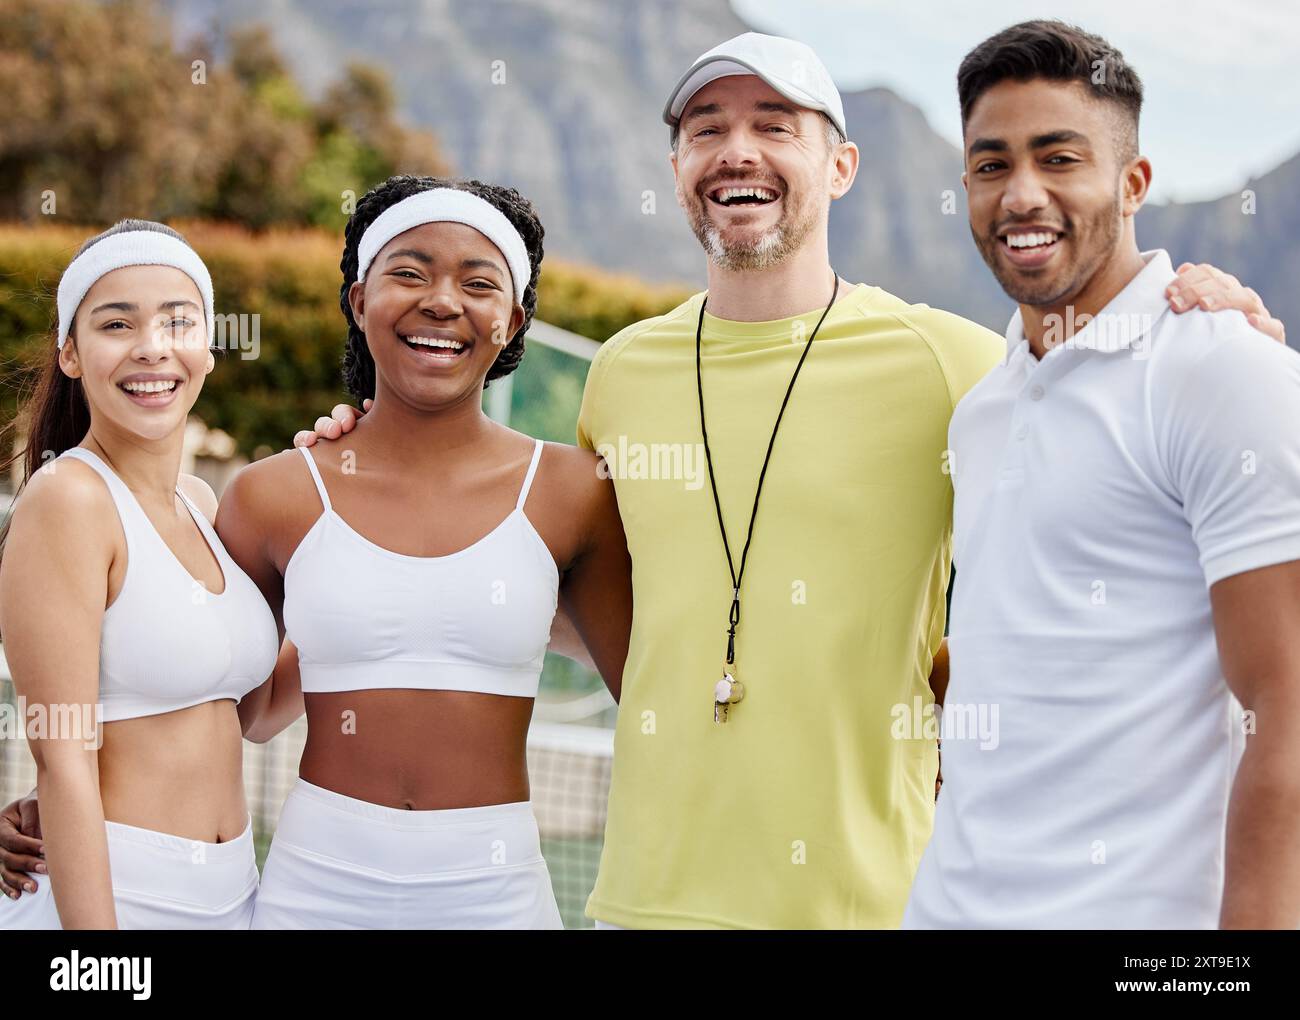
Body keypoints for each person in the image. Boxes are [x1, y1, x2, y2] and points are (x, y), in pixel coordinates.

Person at [282, 33, 1281, 931]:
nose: (736, 150)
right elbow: (565, 587)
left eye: (775, 124)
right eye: (706, 128)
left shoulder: (962, 368)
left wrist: (1203, 316)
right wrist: (379, 460)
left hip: (875, 908)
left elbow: (1091, 434)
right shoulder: (623, 373)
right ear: (677, 169)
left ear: (840, 165)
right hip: (643, 903)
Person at [903, 20, 1300, 930]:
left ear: (1132, 185)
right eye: (992, 165)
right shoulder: (983, 413)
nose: (1021, 195)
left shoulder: (1222, 370)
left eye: (1058, 158)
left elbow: (1289, 706)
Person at [0, 220, 278, 928]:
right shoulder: (68, 500)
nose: (152, 346)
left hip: (232, 891)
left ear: (208, 348)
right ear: (70, 353)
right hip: (117, 897)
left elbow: (252, 714)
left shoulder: (201, 502)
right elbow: (62, 760)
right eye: (117, 323)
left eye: (179, 321)